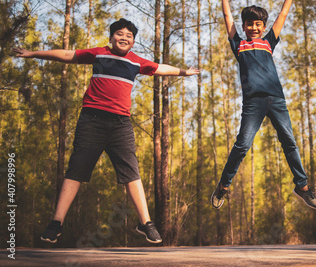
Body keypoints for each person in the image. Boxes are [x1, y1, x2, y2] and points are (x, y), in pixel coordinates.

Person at [13, 18, 200, 244]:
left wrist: (184, 72)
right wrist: (34, 54)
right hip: (91, 122)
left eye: (129, 36)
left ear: (133, 42)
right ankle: (56, 223)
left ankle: (146, 223)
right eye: (120, 34)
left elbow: (161, 68)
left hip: (121, 125)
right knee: (76, 170)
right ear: (111, 38)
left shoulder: (136, 62)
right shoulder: (98, 54)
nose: (124, 38)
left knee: (131, 171)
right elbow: (66, 55)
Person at [211, 0, 316, 210]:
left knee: (289, 141)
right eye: (249, 24)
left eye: (258, 24)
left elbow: (283, 14)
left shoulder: (269, 41)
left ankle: (302, 186)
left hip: (276, 99)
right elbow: (227, 17)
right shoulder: (238, 44)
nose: (254, 27)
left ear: (263, 27)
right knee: (242, 144)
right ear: (244, 26)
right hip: (254, 102)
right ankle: (223, 185)